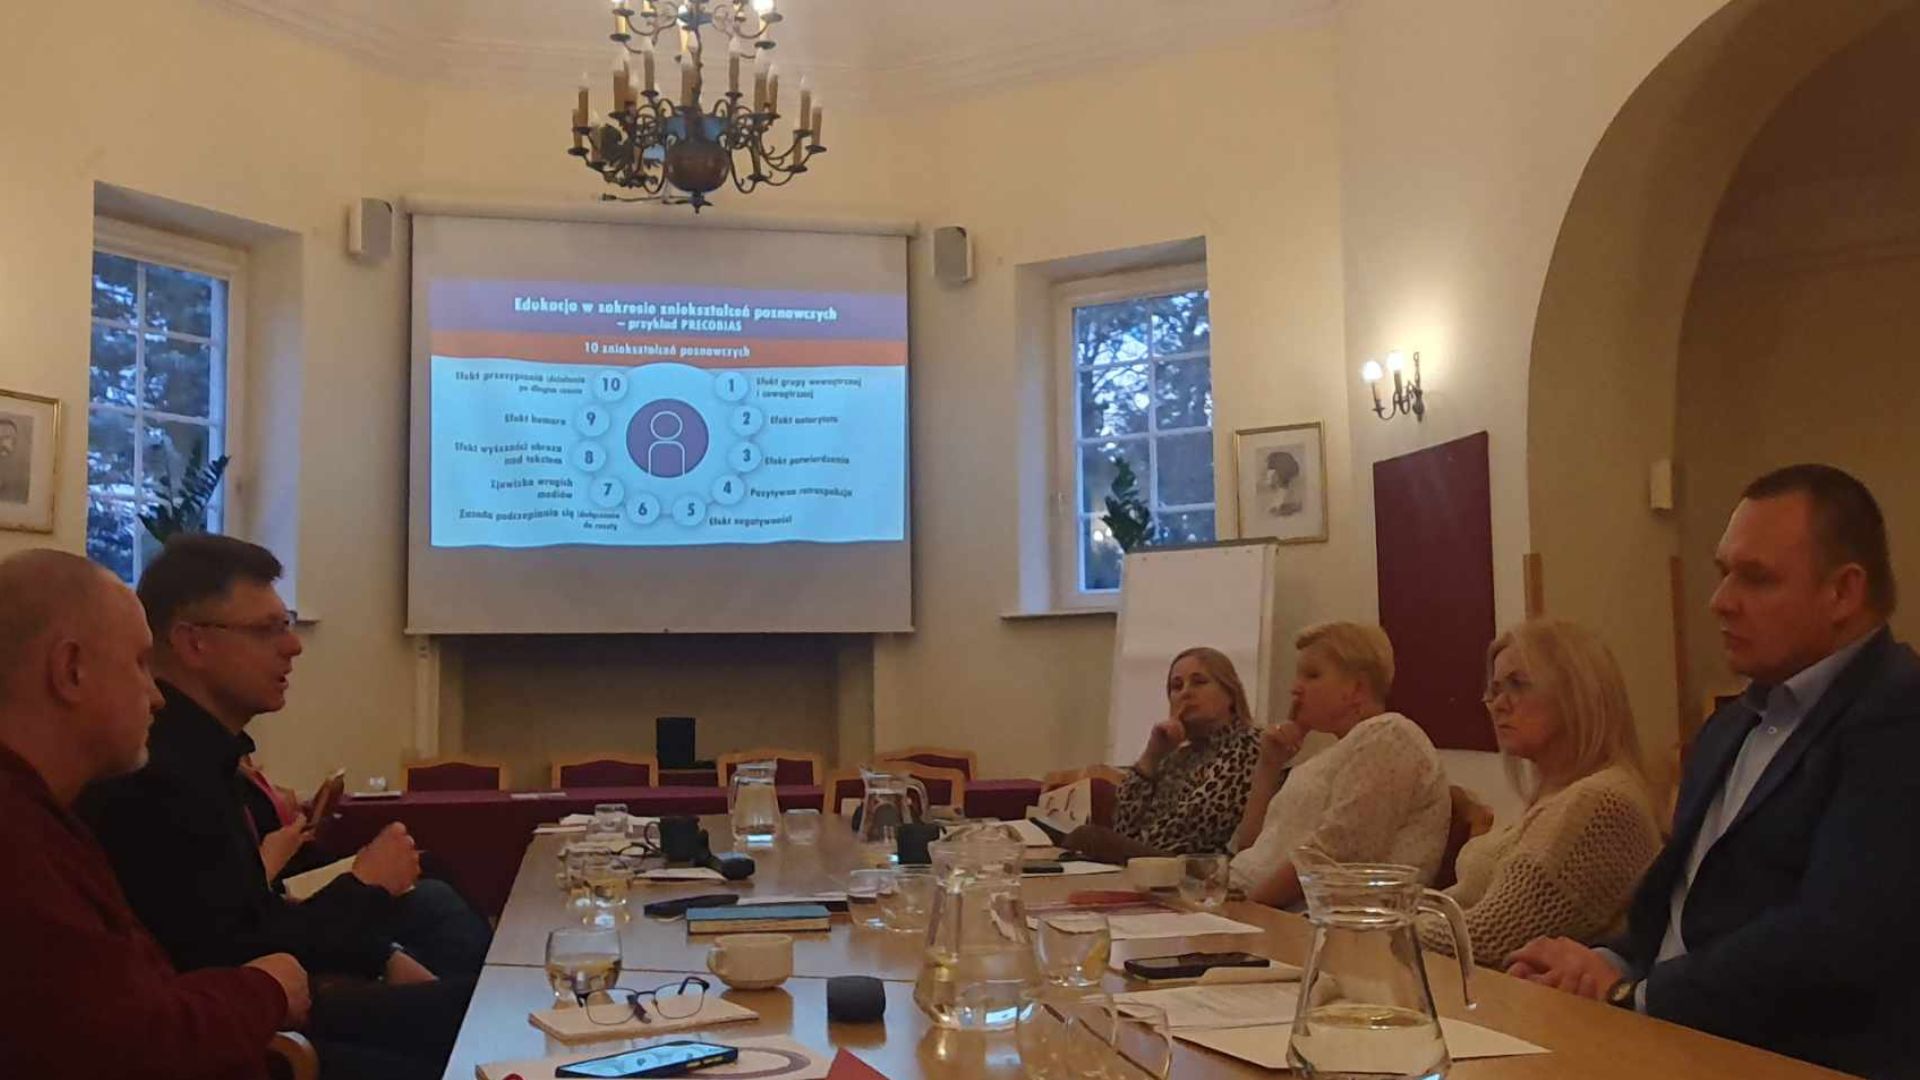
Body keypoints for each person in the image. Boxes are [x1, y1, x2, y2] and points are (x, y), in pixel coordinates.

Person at [1507, 465, 1920, 1078]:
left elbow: (1836, 938)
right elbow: (1682, 910)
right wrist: (1603, 963)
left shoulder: (1899, 714)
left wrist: (1635, 994)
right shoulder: (1730, 726)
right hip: (1660, 1037)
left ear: (1844, 592)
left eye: (1756, 578)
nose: (1720, 600)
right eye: (1723, 572)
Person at [79, 535, 475, 1080]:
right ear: (194, 643)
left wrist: (374, 938)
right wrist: (366, 887)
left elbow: (247, 919)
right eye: (267, 629)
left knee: (478, 1006)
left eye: (287, 623)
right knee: (479, 1021)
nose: (293, 646)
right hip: (242, 1039)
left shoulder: (204, 758)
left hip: (265, 1009)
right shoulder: (161, 774)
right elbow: (228, 953)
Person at [0, 549, 309, 1080]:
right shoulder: (16, 842)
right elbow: (131, 1046)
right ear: (71, 671)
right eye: (140, 664)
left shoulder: (46, 815)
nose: (156, 696)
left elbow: (134, 996)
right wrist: (267, 989)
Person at [1421, 618, 1662, 966]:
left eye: (1518, 685)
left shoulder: (1603, 803)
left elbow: (1486, 940)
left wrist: (1380, 927)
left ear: (1577, 694)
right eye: (1495, 690)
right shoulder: (1556, 796)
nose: (1498, 704)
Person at [1230, 622, 1449, 908]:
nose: (1295, 688)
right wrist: (1268, 765)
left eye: (1312, 675)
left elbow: (1335, 854)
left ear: (1357, 688)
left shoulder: (1390, 735)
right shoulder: (1332, 755)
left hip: (1315, 921)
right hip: (1250, 901)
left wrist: (1247, 912)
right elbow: (1251, 850)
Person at [1112, 646, 1263, 855]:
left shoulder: (1249, 744)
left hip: (1200, 868)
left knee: (1087, 838)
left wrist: (1126, 846)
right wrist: (1151, 756)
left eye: (1199, 682)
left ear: (1230, 694)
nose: (1186, 692)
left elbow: (1192, 829)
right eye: (1177, 686)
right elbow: (1121, 829)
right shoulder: (1175, 757)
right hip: (1147, 863)